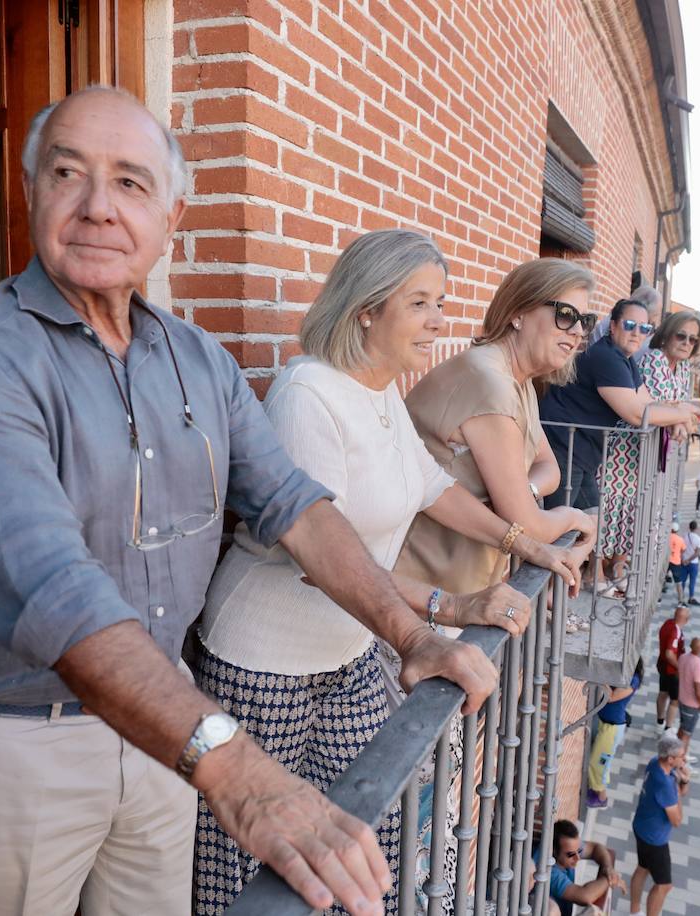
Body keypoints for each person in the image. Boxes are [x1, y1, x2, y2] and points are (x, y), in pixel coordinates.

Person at [0, 88, 493, 916]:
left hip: (168, 732)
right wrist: (243, 776)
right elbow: (51, 589)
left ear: (172, 215)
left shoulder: (199, 360)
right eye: (68, 173)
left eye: (131, 183)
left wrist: (413, 635)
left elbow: (296, 506)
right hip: (16, 748)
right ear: (32, 191)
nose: (98, 206)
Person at [192, 230, 590, 914]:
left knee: (381, 833)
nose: (440, 321)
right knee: (248, 870)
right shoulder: (310, 393)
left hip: (348, 650)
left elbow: (434, 487)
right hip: (265, 663)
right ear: (367, 309)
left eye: (441, 302)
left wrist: (525, 542)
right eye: (421, 303)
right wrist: (451, 609)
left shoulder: (379, 392)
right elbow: (319, 559)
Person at [397, 258, 600, 599]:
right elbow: (529, 526)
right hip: (419, 583)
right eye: (566, 315)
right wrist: (573, 516)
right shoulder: (490, 383)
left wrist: (522, 493)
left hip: (456, 581)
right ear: (517, 313)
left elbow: (549, 468)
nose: (578, 331)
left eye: (585, 321)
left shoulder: (517, 381)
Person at [540, 298, 700, 512]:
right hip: (562, 449)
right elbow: (636, 415)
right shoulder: (607, 357)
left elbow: (649, 402)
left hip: (580, 455)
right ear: (614, 326)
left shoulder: (624, 359)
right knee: (560, 528)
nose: (637, 333)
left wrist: (678, 417)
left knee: (591, 523)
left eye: (644, 328)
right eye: (629, 325)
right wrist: (683, 414)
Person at [592, 307, 700, 592]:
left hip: (648, 449)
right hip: (626, 444)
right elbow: (656, 407)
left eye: (693, 340)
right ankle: (596, 570)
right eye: (681, 336)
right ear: (668, 335)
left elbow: (677, 407)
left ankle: (618, 565)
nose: (686, 343)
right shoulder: (654, 360)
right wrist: (683, 418)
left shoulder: (683, 368)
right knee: (610, 505)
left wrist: (683, 420)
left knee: (633, 508)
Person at [628, 734, 692, 916]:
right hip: (655, 839)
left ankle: (634, 912)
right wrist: (677, 793)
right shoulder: (665, 785)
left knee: (642, 868)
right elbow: (677, 821)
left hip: (641, 827)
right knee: (664, 885)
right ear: (670, 759)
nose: (684, 759)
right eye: (681, 756)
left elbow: (681, 790)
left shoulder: (656, 762)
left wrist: (683, 782)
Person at [586, 659, 644, 808]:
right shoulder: (623, 675)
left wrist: (599, 678)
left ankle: (601, 798)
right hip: (606, 725)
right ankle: (595, 791)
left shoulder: (633, 680)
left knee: (599, 763)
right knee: (600, 761)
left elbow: (611, 697)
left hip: (612, 729)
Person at [541, 819, 625, 916]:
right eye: (571, 854)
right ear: (554, 851)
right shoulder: (548, 871)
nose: (577, 858)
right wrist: (611, 878)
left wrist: (608, 867)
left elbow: (596, 848)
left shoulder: (568, 847)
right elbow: (585, 896)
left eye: (579, 851)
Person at [656, 604, 689, 732]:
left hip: (662, 666)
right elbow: (669, 653)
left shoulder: (668, 623)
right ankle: (668, 728)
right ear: (686, 620)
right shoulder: (675, 632)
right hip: (671, 670)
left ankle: (659, 722)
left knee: (663, 693)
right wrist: (680, 667)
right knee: (675, 700)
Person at [676, 638, 700, 765]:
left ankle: (674, 749)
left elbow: (678, 675)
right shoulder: (698, 665)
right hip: (691, 704)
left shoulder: (682, 657)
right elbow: (698, 690)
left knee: (682, 728)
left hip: (682, 699)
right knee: (686, 735)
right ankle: (681, 761)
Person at [668, 523, 688, 604]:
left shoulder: (667, 537)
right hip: (676, 561)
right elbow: (684, 549)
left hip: (666, 560)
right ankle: (680, 600)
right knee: (678, 582)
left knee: (661, 580)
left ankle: (658, 599)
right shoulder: (680, 539)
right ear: (677, 530)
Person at [685, 520, 700, 607]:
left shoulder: (685, 536)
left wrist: (685, 559)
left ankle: (680, 599)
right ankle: (691, 598)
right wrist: (690, 560)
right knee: (692, 581)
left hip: (684, 562)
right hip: (693, 563)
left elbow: (682, 549)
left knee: (682, 580)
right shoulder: (699, 539)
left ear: (689, 527)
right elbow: (697, 553)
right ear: (696, 528)